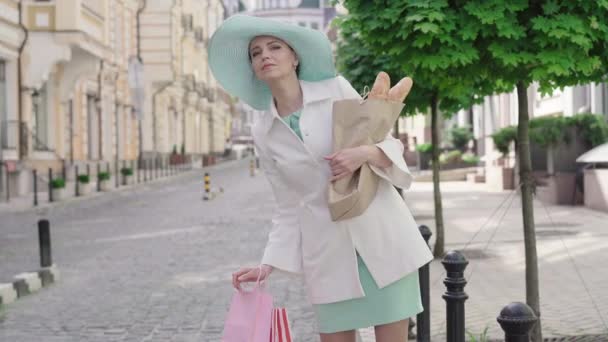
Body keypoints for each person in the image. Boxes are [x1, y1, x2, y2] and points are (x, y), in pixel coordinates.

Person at [208, 15, 433, 342]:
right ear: (253, 68)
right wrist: (267, 265)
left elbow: (385, 140)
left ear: (295, 57)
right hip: (327, 256)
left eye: (275, 47)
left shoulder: (335, 89)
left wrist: (363, 155)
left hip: (381, 238)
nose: (265, 55)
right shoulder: (263, 130)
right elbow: (287, 206)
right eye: (256, 53)